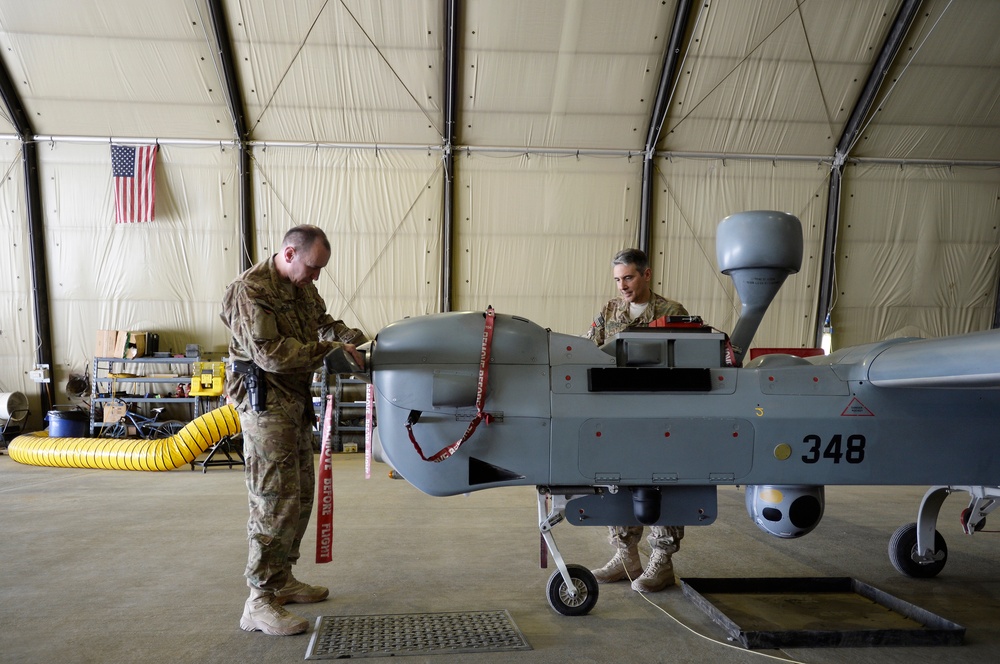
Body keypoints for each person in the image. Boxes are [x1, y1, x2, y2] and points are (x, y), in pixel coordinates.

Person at [221, 225, 367, 636]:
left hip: (295, 405)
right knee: (274, 502)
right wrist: (330, 351)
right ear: (289, 253)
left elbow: (321, 324)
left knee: (299, 496)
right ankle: (259, 601)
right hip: (266, 408)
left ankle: (282, 579)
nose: (316, 277)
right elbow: (271, 355)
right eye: (313, 267)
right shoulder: (250, 290)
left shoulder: (300, 288)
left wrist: (351, 338)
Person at [586, 247, 688, 593]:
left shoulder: (672, 312)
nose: (622, 286)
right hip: (616, 413)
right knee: (616, 479)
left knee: (662, 480)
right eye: (617, 280)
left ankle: (662, 561)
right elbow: (589, 351)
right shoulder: (609, 311)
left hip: (659, 415)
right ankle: (626, 555)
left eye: (628, 277)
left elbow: (687, 363)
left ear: (646, 274)